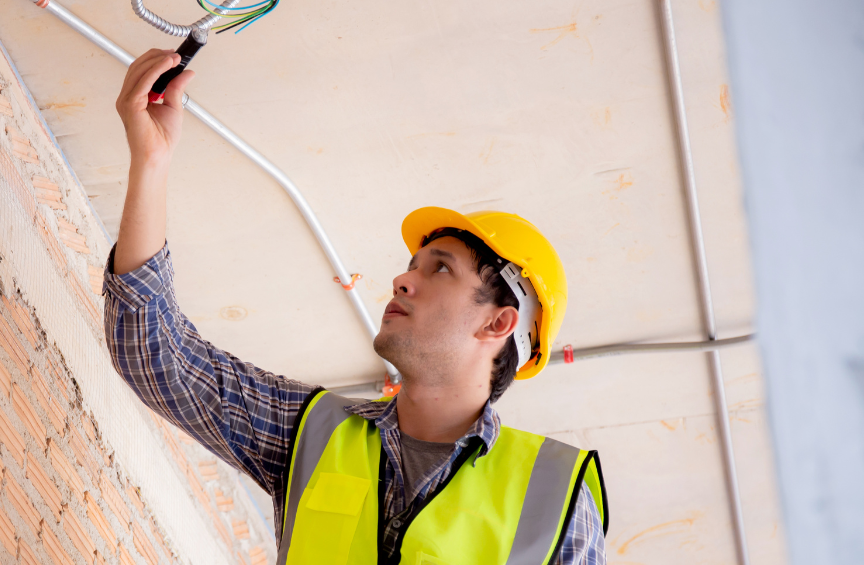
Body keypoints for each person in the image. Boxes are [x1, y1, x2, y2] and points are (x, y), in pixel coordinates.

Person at [103, 49, 609, 564]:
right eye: (412, 264)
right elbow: (156, 354)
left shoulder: (555, 503)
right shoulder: (315, 432)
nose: (402, 279)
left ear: (498, 322)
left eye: (439, 269)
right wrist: (151, 161)